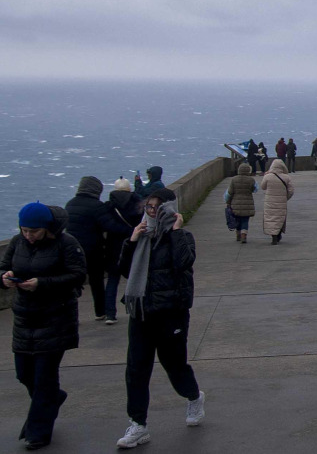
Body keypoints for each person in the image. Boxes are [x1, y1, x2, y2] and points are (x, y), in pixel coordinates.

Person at [115, 188, 205, 448]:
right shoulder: (141, 236)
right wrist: (131, 241)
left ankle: (193, 397)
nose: (152, 211)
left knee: (175, 366)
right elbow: (123, 271)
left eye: (157, 207)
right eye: (149, 207)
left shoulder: (183, 236)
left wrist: (176, 231)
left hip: (170, 313)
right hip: (141, 312)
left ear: (169, 208)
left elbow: (184, 263)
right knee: (136, 370)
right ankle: (138, 425)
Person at [0, 201, 86, 450]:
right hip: (25, 318)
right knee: (24, 374)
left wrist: (42, 284)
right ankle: (54, 399)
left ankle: (38, 432)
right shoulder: (17, 243)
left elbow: (78, 275)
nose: (29, 236)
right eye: (24, 230)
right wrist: (3, 279)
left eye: (33, 232)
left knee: (44, 377)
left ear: (46, 228)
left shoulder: (67, 244)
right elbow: (1, 267)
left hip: (56, 317)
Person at [65, 176, 132, 324]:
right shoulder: (96, 206)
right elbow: (109, 226)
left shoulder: (70, 204)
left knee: (73, 283)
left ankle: (69, 316)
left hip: (72, 251)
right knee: (96, 282)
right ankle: (100, 312)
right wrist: (132, 231)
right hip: (93, 250)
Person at [102, 178, 144, 325]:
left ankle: (109, 314)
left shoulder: (108, 206)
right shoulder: (137, 203)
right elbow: (142, 222)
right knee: (136, 277)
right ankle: (137, 308)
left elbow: (106, 225)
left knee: (113, 280)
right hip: (132, 245)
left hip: (113, 247)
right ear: (128, 189)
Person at [260, 158, 294, 244]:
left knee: (271, 218)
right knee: (279, 218)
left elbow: (263, 187)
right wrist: (285, 198)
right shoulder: (286, 177)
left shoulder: (268, 176)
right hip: (281, 201)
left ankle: (273, 236)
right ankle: (278, 234)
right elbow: (291, 191)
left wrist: (265, 175)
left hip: (269, 201)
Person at [225, 163, 257, 243]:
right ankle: (244, 235)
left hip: (235, 203)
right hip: (247, 203)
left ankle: (238, 234)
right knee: (245, 220)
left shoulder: (234, 179)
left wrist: (228, 202)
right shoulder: (251, 180)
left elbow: (230, 192)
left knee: (237, 220)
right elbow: (254, 189)